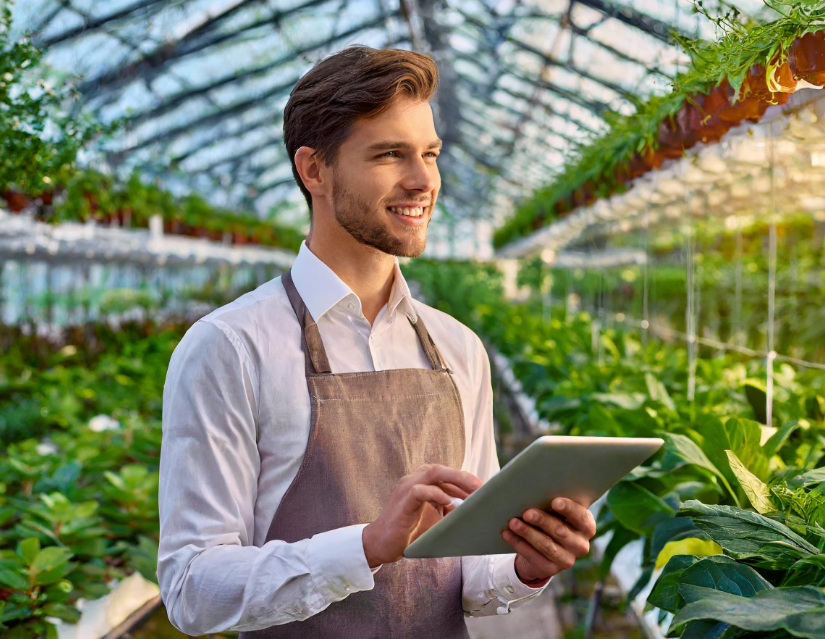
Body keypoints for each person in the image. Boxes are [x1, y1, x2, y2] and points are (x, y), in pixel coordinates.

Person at [158, 45, 596, 638]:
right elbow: (190, 587)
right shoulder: (230, 348)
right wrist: (365, 546)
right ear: (314, 170)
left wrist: (526, 564)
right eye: (390, 154)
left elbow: (469, 572)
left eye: (430, 154)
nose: (422, 181)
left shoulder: (458, 348)